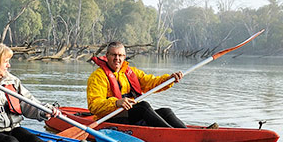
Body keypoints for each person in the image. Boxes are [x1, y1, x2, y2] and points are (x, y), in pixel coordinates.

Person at [87, 41, 215, 128]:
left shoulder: (130, 72)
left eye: (120, 55)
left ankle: (188, 134)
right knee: (143, 106)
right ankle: (174, 134)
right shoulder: (98, 77)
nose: (117, 59)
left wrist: (169, 79)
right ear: (107, 56)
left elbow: (151, 82)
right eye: (114, 55)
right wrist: (116, 103)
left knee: (166, 111)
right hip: (111, 117)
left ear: (125, 56)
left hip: (130, 114)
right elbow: (94, 106)